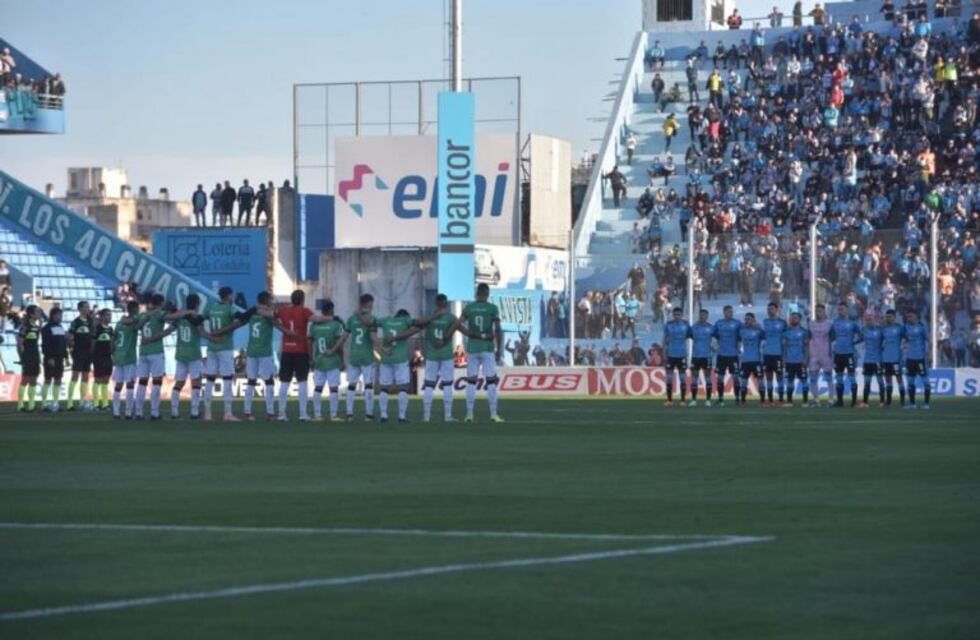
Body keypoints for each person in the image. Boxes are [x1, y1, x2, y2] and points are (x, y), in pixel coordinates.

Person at [457, 283, 503, 422]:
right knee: (491, 382)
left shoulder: (469, 308)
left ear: (477, 293)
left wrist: (470, 334)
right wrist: (498, 348)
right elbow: (498, 328)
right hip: (487, 348)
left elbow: (458, 324)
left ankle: (469, 415)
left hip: (473, 348)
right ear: (487, 294)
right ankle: (493, 415)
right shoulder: (492, 308)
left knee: (471, 382)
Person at [240, 292, 288, 420]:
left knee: (251, 381)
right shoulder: (268, 315)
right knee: (269, 381)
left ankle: (247, 411)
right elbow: (277, 322)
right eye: (270, 299)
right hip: (264, 352)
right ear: (266, 300)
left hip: (251, 351)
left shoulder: (252, 313)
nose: (271, 301)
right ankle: (270, 412)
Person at [166, 294, 210, 420]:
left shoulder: (180, 317)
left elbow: (169, 329)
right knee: (196, 383)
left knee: (179, 383)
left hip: (180, 353)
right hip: (193, 354)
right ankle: (194, 412)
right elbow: (201, 332)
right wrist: (214, 338)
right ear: (197, 304)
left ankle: (174, 412)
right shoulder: (195, 317)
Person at [416, 294, 458, 422]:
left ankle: (427, 416)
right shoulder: (451, 318)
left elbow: (418, 323)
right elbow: (460, 327)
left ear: (436, 303)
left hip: (432, 355)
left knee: (429, 385)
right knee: (447, 385)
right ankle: (447, 416)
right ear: (446, 304)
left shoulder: (429, 318)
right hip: (446, 355)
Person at [276, 289, 316, 421]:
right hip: (301, 351)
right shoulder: (305, 311)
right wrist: (330, 318)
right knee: (303, 382)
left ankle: (282, 414)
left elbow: (270, 316)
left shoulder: (283, 311)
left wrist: (282, 328)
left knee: (284, 382)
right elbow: (316, 319)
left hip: (287, 350)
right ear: (303, 299)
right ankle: (303, 414)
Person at [202, 287, 238, 421]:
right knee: (227, 379)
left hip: (212, 348)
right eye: (231, 295)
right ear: (228, 296)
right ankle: (227, 413)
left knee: (210, 380)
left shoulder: (211, 308)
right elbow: (238, 319)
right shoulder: (230, 308)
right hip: (225, 347)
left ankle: (207, 413)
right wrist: (223, 330)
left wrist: (209, 336)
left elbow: (199, 320)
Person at [309, 299, 347, 422]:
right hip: (332, 361)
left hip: (319, 360)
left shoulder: (314, 325)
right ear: (331, 310)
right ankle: (333, 414)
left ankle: (317, 414)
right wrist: (342, 360)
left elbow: (310, 342)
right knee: (334, 388)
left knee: (318, 388)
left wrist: (311, 358)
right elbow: (339, 344)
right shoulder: (336, 325)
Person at [346, 293, 381, 420]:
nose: (372, 306)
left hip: (354, 355)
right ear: (367, 304)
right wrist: (383, 348)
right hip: (366, 355)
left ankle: (349, 413)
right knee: (368, 385)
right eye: (371, 303)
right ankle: (369, 414)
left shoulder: (351, 319)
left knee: (351, 385)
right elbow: (373, 336)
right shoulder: (372, 318)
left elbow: (344, 337)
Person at [133, 293, 169, 420]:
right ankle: (154, 412)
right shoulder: (160, 313)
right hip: (156, 351)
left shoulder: (143, 314)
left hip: (143, 351)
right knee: (156, 382)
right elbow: (171, 318)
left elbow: (133, 324)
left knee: (142, 382)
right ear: (161, 303)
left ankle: (138, 412)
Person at [378, 309, 416, 423]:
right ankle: (402, 416)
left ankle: (383, 415)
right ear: (405, 317)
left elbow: (372, 322)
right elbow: (417, 325)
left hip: (386, 358)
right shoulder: (404, 322)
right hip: (400, 358)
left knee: (384, 387)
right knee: (403, 387)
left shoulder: (385, 321)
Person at [111, 300, 140, 419]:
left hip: (118, 357)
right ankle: (128, 413)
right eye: (137, 308)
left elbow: (113, 339)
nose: (138, 310)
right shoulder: (133, 322)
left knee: (118, 385)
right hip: (129, 357)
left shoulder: (118, 323)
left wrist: (113, 353)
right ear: (133, 309)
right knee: (130, 385)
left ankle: (116, 412)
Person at [830, 302, 862, 408]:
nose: (840, 311)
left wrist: (853, 343)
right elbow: (831, 336)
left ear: (847, 310)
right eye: (839, 309)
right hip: (838, 354)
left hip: (849, 354)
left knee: (852, 377)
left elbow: (861, 336)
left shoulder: (853, 323)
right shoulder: (835, 323)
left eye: (842, 309)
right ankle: (839, 402)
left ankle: (854, 402)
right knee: (839, 378)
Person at [66, 301, 94, 411]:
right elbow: (69, 336)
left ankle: (82, 401)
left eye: (88, 307)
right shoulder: (76, 322)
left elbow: (92, 336)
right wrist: (72, 347)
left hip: (88, 353)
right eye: (86, 307)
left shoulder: (90, 321)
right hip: (78, 352)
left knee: (86, 376)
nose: (88, 309)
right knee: (75, 376)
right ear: (80, 309)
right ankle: (69, 402)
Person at [40, 307, 68, 412]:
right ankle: (44, 404)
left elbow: (63, 344)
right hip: (51, 357)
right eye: (59, 315)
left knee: (58, 380)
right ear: (53, 315)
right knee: (48, 380)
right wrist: (49, 357)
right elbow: (45, 345)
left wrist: (66, 357)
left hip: (60, 357)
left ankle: (55, 403)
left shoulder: (60, 327)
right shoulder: (46, 328)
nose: (60, 317)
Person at [713, 305, 741, 406]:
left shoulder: (737, 323)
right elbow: (714, 335)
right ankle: (721, 399)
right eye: (729, 311)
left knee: (736, 377)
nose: (731, 313)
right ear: (724, 312)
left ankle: (737, 398)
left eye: (732, 311)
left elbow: (741, 336)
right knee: (720, 378)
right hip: (721, 355)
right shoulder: (719, 323)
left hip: (733, 355)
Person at [15, 305, 42, 412]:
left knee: (34, 380)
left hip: (35, 355)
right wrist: (22, 358)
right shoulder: (25, 327)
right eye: (37, 312)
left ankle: (31, 405)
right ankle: (20, 405)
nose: (39, 314)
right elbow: (19, 344)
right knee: (25, 380)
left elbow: (35, 341)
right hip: (27, 356)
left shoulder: (36, 327)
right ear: (31, 314)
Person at [761, 302, 788, 405]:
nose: (769, 310)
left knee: (779, 377)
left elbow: (786, 339)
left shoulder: (782, 323)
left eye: (772, 308)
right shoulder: (765, 321)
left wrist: (785, 356)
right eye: (768, 308)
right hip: (767, 354)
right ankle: (770, 399)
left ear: (777, 310)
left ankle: (781, 399)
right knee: (768, 377)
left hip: (778, 354)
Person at [903, 310, 930, 409]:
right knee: (910, 381)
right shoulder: (905, 327)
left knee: (926, 381)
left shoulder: (922, 327)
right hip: (910, 358)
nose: (909, 318)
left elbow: (928, 340)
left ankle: (926, 404)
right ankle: (912, 404)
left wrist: (929, 353)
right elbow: (903, 337)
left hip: (920, 358)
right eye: (908, 316)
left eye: (910, 316)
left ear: (916, 316)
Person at [662, 307, 690, 407]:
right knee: (669, 378)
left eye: (679, 315)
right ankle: (669, 400)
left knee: (682, 378)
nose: (677, 316)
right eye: (675, 315)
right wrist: (664, 353)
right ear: (673, 315)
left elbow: (689, 336)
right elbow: (665, 340)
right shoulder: (668, 325)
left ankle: (682, 400)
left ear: (682, 315)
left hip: (681, 355)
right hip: (670, 355)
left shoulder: (686, 325)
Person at [807, 304, 833, 407]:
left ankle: (831, 399)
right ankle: (816, 399)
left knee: (829, 378)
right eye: (817, 311)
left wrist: (831, 352)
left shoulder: (829, 324)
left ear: (824, 312)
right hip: (813, 354)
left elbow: (833, 338)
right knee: (813, 378)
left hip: (825, 354)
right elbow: (809, 338)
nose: (818, 313)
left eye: (820, 311)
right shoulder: (811, 324)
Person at [783, 313, 810, 407]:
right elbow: (784, 347)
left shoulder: (804, 332)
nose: (793, 320)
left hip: (800, 361)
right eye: (791, 318)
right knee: (789, 381)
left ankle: (805, 401)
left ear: (799, 319)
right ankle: (789, 401)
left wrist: (806, 359)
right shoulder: (786, 332)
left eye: (795, 318)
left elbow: (807, 347)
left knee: (804, 381)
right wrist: (784, 359)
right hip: (789, 361)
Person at [880, 310, 906, 407]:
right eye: (886, 317)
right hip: (886, 358)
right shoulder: (883, 329)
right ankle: (888, 402)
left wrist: (904, 345)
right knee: (888, 380)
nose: (888, 319)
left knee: (899, 379)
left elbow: (907, 338)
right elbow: (880, 341)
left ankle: (902, 401)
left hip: (896, 358)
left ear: (894, 317)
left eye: (890, 317)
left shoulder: (899, 328)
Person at [689, 309, 714, 407]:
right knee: (694, 378)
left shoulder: (711, 328)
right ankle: (694, 400)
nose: (702, 317)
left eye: (704, 315)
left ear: (707, 317)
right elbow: (689, 336)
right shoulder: (693, 327)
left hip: (707, 356)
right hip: (695, 356)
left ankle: (708, 400)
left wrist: (714, 346)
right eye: (701, 315)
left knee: (708, 378)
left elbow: (717, 337)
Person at [91, 308, 115, 412]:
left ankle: (105, 404)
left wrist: (112, 352)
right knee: (98, 380)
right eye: (107, 315)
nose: (109, 317)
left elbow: (112, 343)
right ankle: (96, 404)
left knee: (106, 380)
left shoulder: (110, 329)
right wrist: (93, 355)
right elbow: (93, 343)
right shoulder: (98, 328)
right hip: (98, 357)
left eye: (110, 315)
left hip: (108, 357)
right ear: (101, 317)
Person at [738, 313, 765, 405]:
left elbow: (765, 336)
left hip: (756, 360)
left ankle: (762, 400)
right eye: (746, 319)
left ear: (753, 320)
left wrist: (759, 327)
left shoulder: (758, 331)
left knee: (760, 381)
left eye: (749, 319)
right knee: (743, 382)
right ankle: (743, 400)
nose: (747, 321)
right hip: (745, 360)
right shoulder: (741, 331)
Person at [860, 313, 886, 408]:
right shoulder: (864, 330)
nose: (868, 321)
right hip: (867, 360)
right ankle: (865, 402)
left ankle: (882, 402)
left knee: (880, 381)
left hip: (877, 360)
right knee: (867, 382)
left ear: (875, 320)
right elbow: (860, 339)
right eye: (867, 320)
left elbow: (885, 341)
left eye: (870, 319)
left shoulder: (880, 330)